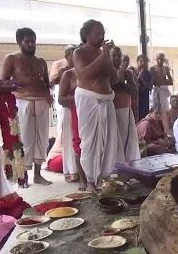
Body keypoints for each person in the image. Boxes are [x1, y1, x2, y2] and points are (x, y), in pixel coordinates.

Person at [72, 20, 122, 192]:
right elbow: (84, 74)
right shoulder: (79, 53)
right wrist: (103, 56)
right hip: (89, 100)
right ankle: (90, 182)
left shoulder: (104, 53)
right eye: (97, 34)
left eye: (103, 34)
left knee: (108, 141)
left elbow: (113, 79)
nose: (102, 37)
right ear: (87, 35)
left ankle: (102, 179)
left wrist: (115, 63)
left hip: (107, 101)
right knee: (90, 141)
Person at [0, 28, 53, 187]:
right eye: (27, 41)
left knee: (42, 139)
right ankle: (23, 177)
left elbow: (45, 82)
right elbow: (4, 82)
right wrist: (22, 84)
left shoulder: (41, 62)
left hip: (42, 102)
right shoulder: (11, 58)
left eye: (33, 41)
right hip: (22, 101)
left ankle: (38, 175)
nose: (31, 44)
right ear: (19, 42)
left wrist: (48, 91)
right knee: (23, 140)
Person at [57, 54, 87, 190]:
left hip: (91, 112)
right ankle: (82, 179)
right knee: (78, 145)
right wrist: (80, 99)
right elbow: (61, 99)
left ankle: (94, 177)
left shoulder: (90, 72)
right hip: (74, 112)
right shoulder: (68, 75)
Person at [110, 47, 140, 163]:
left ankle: (128, 166)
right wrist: (118, 78)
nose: (117, 58)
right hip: (112, 110)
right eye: (114, 56)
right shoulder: (107, 72)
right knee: (115, 141)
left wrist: (123, 83)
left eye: (119, 56)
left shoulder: (127, 73)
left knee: (127, 140)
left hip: (126, 111)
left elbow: (135, 91)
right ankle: (115, 166)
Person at [149, 52, 174, 133]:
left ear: (164, 60)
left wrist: (162, 81)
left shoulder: (166, 69)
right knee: (155, 110)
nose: (160, 60)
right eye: (158, 59)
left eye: (162, 59)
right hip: (155, 91)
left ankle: (165, 131)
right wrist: (160, 82)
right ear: (156, 59)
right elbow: (151, 82)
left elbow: (171, 81)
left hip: (163, 92)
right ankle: (155, 131)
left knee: (164, 112)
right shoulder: (152, 69)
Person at [132, 54, 153, 120]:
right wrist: (139, 77)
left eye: (145, 61)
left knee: (143, 118)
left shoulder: (147, 73)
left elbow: (150, 87)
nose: (143, 63)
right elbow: (134, 86)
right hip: (134, 99)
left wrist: (142, 79)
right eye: (141, 61)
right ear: (137, 61)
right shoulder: (131, 71)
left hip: (144, 99)